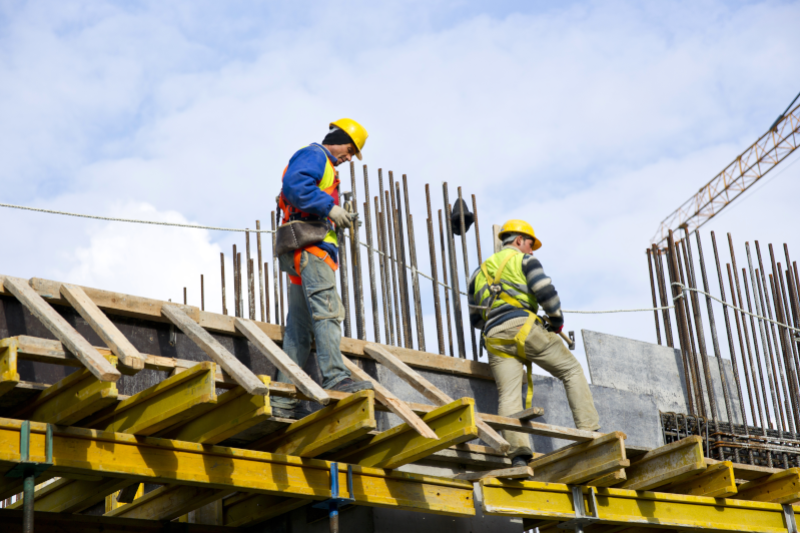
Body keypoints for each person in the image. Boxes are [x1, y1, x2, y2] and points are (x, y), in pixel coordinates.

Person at [467, 219, 600, 466]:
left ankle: (518, 455)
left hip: (494, 337)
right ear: (518, 241)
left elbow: (475, 319)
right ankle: (591, 433)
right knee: (571, 370)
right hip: (525, 328)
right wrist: (556, 321)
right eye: (530, 244)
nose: (532, 250)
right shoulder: (524, 260)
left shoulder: (478, 273)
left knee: (508, 395)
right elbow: (546, 292)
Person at [271, 118, 374, 418]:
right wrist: (330, 208)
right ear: (338, 138)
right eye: (350, 149)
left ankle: (282, 399)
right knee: (329, 312)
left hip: (301, 251)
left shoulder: (325, 166)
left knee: (299, 330)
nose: (350, 157)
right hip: (312, 251)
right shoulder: (316, 155)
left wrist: (336, 215)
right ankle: (336, 377)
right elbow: (295, 186)